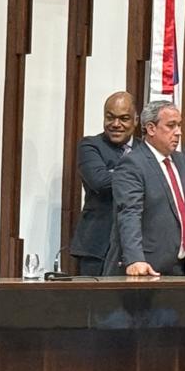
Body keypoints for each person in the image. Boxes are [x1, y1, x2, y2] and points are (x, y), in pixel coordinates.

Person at [104, 100, 185, 278]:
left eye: (179, 125)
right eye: (171, 126)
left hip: (182, 267)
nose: (178, 132)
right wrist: (134, 259)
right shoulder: (133, 163)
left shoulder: (181, 161)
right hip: (147, 266)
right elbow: (129, 213)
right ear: (151, 128)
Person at [69, 91, 137, 275]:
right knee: (93, 303)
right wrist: (139, 175)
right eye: (110, 118)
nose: (116, 124)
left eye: (124, 118)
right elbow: (99, 181)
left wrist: (115, 173)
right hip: (97, 245)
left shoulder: (144, 149)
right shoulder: (91, 145)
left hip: (135, 249)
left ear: (135, 121)